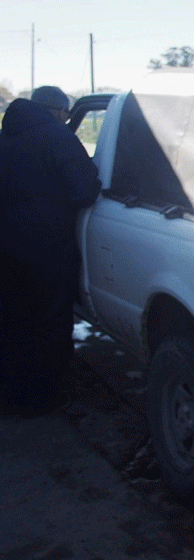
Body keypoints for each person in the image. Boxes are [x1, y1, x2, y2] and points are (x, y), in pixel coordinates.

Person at [0, 85, 101, 418]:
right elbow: (85, 192)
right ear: (59, 110)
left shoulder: (6, 135)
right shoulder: (57, 137)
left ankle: (11, 393)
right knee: (51, 321)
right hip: (46, 246)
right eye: (67, 113)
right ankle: (42, 398)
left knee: (14, 319)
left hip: (7, 245)